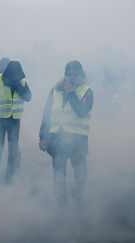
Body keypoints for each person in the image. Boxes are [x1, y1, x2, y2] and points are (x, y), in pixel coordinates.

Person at [39, 61, 94, 206]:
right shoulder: (55, 91)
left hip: (78, 141)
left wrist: (72, 94)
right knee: (58, 175)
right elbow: (47, 115)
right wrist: (43, 137)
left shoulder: (87, 91)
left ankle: (76, 194)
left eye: (75, 74)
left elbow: (82, 112)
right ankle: (61, 203)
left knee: (81, 175)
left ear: (81, 75)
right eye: (69, 74)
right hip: (57, 139)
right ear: (65, 75)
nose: (72, 77)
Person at [0, 61, 31, 184]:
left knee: (13, 150)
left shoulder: (21, 82)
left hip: (15, 121)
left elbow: (28, 97)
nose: (14, 77)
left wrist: (18, 85)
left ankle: (9, 179)